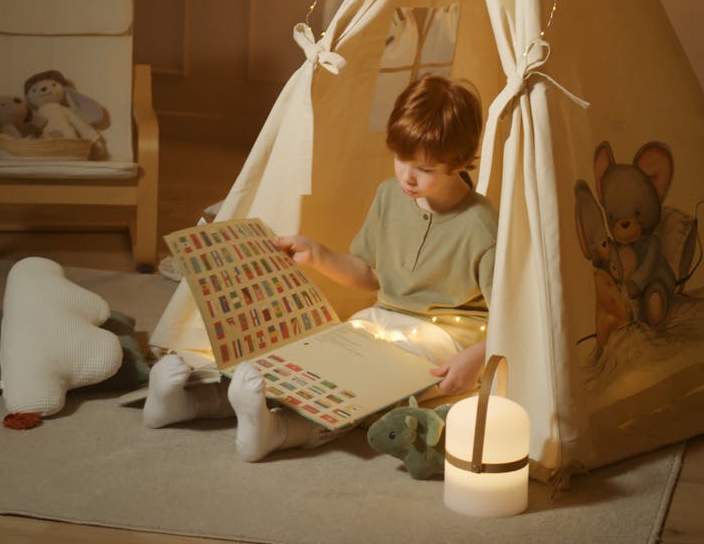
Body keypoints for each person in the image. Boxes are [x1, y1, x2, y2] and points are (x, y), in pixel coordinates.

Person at [142, 72, 497, 461]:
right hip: (380, 318)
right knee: (311, 364)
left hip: (444, 339)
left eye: (425, 169)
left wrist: (476, 359)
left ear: (459, 161)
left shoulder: (481, 226)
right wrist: (319, 256)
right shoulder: (389, 196)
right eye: (401, 159)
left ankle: (278, 432)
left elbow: (513, 318)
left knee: (358, 388)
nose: (407, 177)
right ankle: (192, 403)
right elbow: (372, 276)